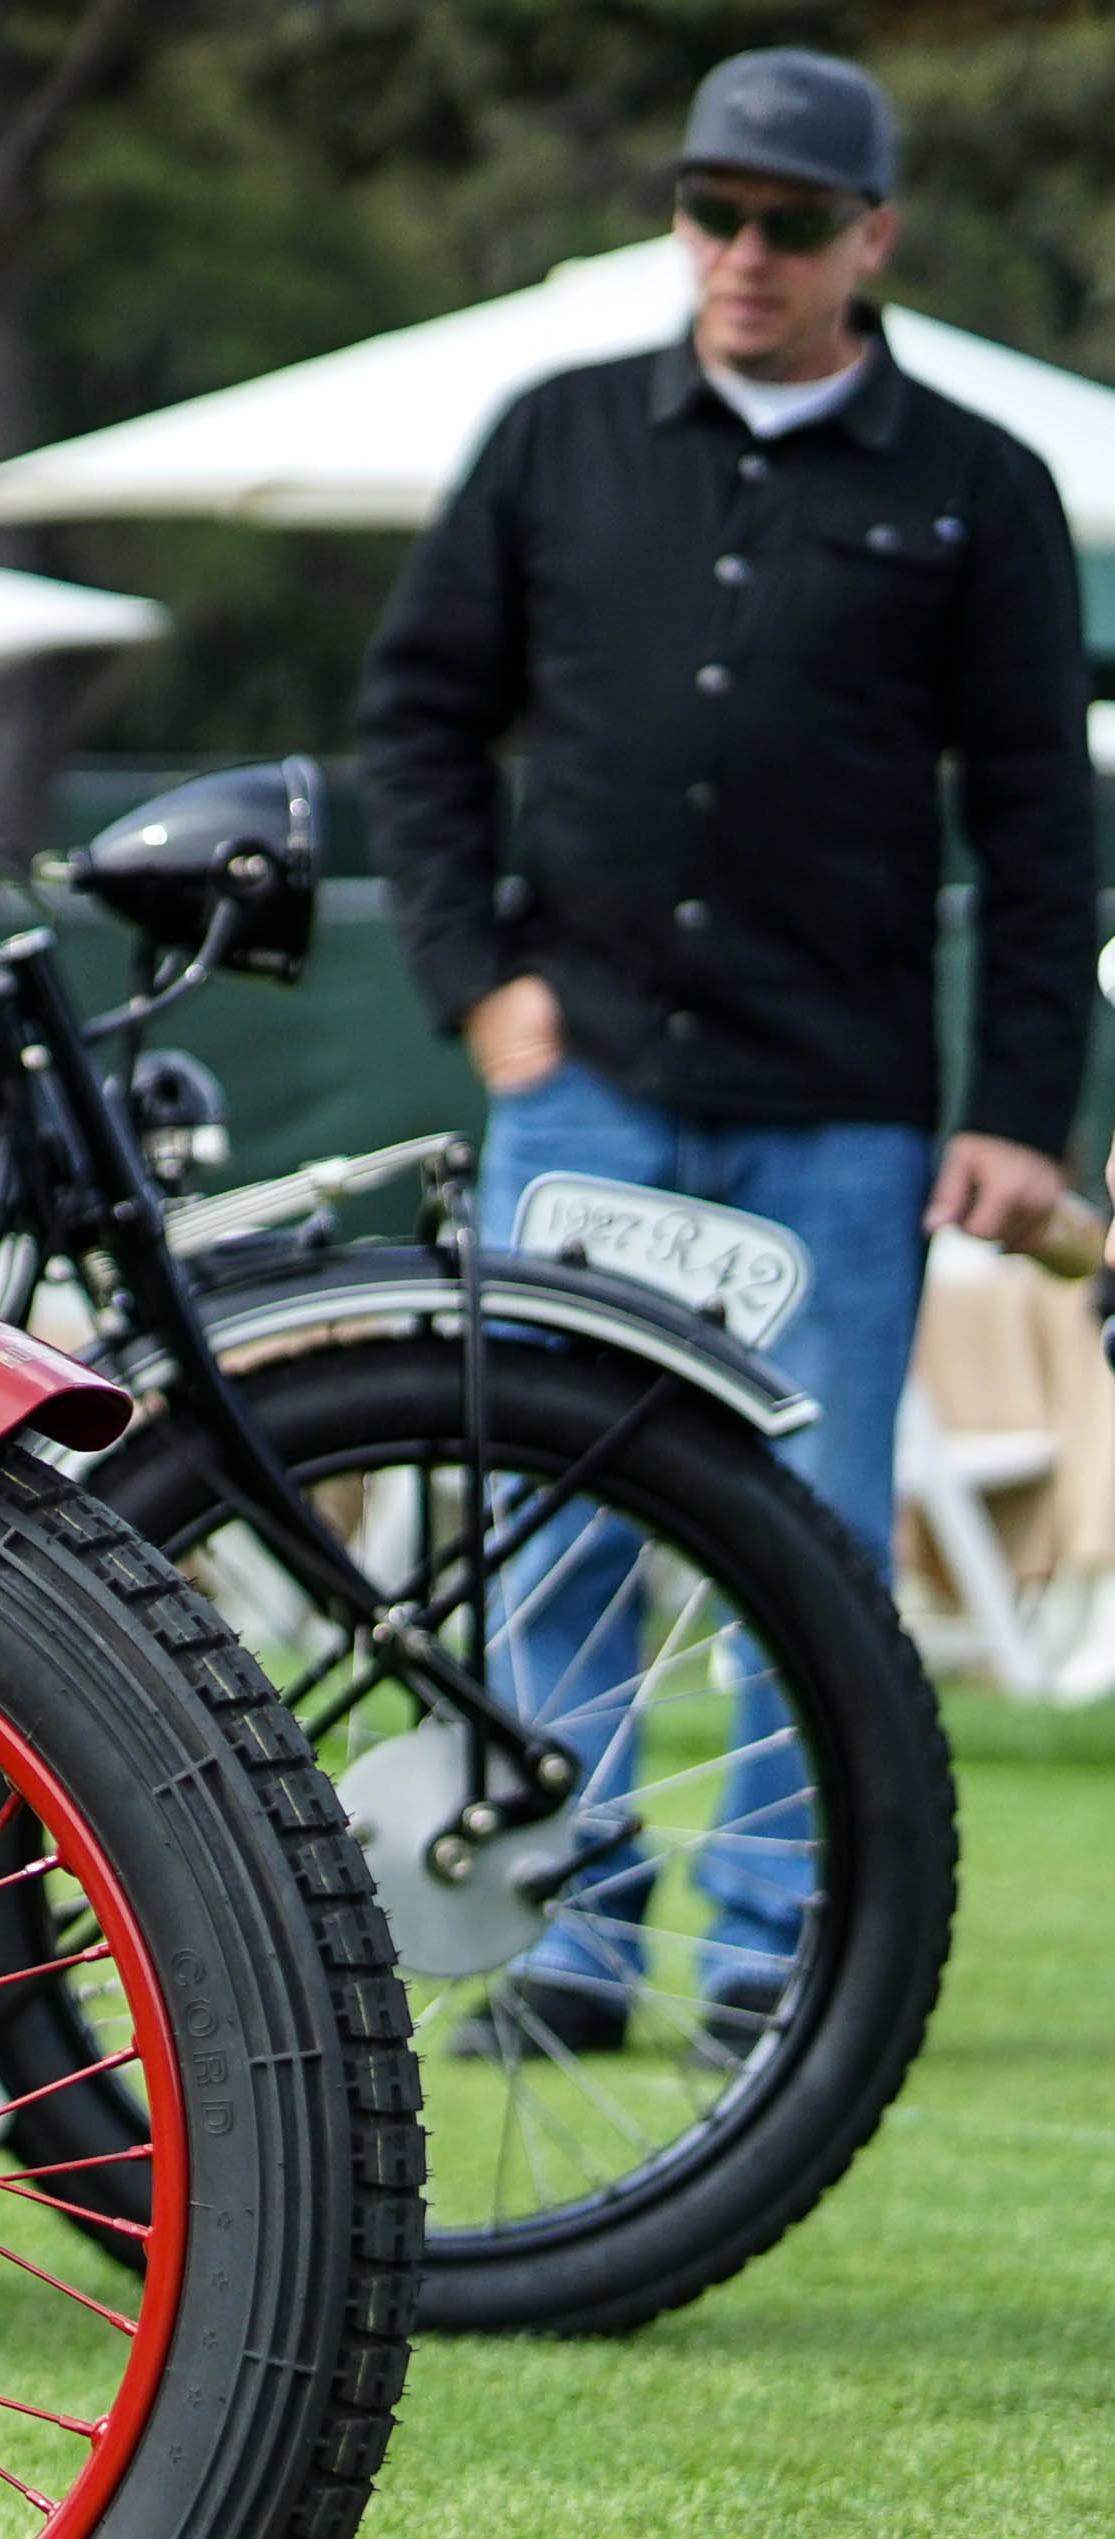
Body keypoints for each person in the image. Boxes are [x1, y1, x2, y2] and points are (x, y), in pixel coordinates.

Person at [356, 46, 1097, 2059]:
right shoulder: (554, 441)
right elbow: (415, 721)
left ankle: (779, 1946)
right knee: (554, 1516)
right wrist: (472, 982)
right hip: (578, 1078)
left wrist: (1015, 1111)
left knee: (818, 1545)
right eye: (709, 210)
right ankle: (569, 1932)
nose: (740, 253)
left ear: (870, 238)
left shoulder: (975, 485)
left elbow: (1039, 823)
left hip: (836, 1112)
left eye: (784, 221)